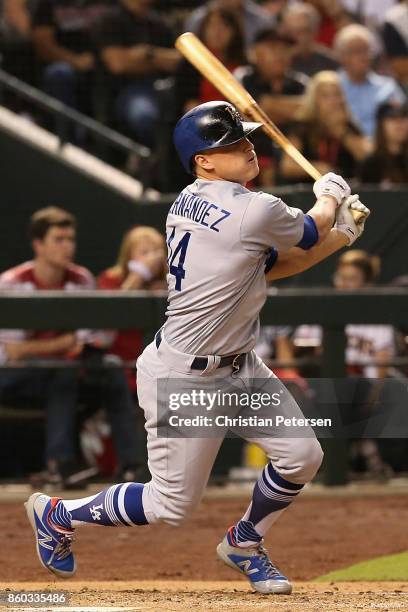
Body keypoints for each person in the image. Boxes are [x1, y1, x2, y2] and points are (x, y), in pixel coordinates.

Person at [25, 101, 369, 594]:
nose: (248, 147)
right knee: (170, 506)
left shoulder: (193, 201)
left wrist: (340, 237)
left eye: (246, 139)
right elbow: (307, 229)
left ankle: (244, 542)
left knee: (301, 456)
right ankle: (58, 514)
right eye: (231, 143)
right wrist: (329, 196)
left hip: (240, 369)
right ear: (204, 161)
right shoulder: (252, 207)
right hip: (187, 376)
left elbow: (270, 266)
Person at [0, 207, 140, 486]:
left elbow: (91, 335)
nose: (68, 247)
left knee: (111, 370)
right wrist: (64, 343)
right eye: (59, 240)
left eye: (70, 239)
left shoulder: (82, 279)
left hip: (63, 372)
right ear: (38, 244)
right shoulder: (12, 283)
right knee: (62, 371)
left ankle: (132, 467)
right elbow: (14, 352)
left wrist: (86, 345)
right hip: (11, 376)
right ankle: (60, 464)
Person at [294, 250, 395, 479]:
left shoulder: (376, 316)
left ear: (365, 284)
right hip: (323, 384)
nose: (343, 284)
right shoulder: (322, 309)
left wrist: (373, 398)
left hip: (362, 388)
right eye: (341, 278)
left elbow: (381, 367)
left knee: (346, 387)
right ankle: (363, 451)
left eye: (351, 279)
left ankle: (337, 460)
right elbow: (301, 350)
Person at [96, 0, 180, 148]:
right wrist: (158, 62)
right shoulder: (110, 19)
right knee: (145, 115)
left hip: (163, 87)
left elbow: (178, 61)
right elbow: (118, 65)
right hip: (125, 90)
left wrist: (148, 53)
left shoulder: (159, 22)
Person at [98, 225, 167, 392]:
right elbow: (113, 312)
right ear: (129, 255)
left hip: (159, 364)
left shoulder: (169, 282)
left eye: (156, 252)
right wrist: (138, 275)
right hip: (120, 362)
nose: (152, 259)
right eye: (144, 253)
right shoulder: (110, 279)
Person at [280, 71, 372, 183]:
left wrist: (340, 131)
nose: (333, 101)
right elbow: (287, 166)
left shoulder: (348, 126)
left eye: (336, 95)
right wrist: (316, 168)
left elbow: (367, 157)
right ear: (314, 100)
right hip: (309, 191)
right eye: (326, 96)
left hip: (345, 191)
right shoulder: (302, 127)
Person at [32, 0, 112, 113]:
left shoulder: (111, 3)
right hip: (66, 65)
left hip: (106, 61)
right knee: (59, 73)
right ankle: (66, 128)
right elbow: (42, 45)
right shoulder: (49, 3)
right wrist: (74, 60)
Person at [335, 24, 406, 138]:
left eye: (366, 50)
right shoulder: (332, 87)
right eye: (356, 51)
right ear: (342, 56)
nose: (363, 56)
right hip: (343, 148)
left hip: (383, 149)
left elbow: (402, 118)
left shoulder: (388, 87)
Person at [175, 6, 246, 115]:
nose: (217, 32)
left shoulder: (244, 65)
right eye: (212, 26)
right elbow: (189, 106)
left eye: (224, 26)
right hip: (201, 122)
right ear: (203, 30)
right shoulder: (190, 64)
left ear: (235, 32)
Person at [185, 0, 275, 50]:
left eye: (226, 26)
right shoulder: (198, 19)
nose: (218, 31)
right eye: (214, 26)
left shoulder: (264, 20)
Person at [280, 2, 338, 77]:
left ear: (314, 32)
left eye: (301, 32)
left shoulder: (330, 63)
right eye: (290, 32)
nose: (295, 38)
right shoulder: (276, 65)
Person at [359, 101, 408, 185]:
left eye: (403, 117)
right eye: (392, 118)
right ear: (381, 125)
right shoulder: (371, 165)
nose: (399, 123)